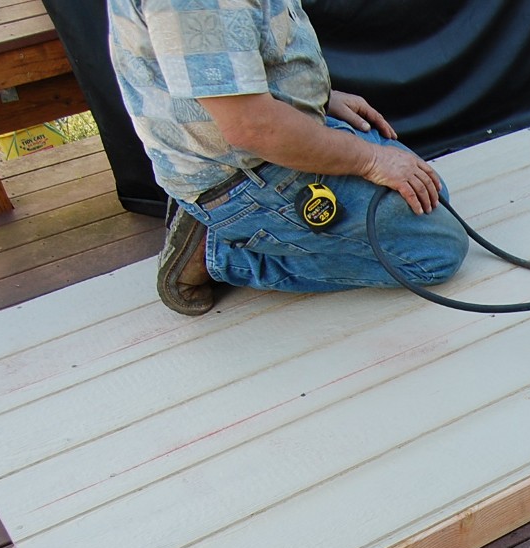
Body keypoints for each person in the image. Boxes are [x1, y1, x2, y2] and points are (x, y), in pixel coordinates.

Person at [107, 0, 469, 315]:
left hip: (260, 141)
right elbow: (252, 127)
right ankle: (216, 252)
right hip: (242, 173)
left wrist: (315, 98)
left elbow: (241, 61)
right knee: (434, 252)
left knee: (428, 194)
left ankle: (224, 224)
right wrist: (371, 160)